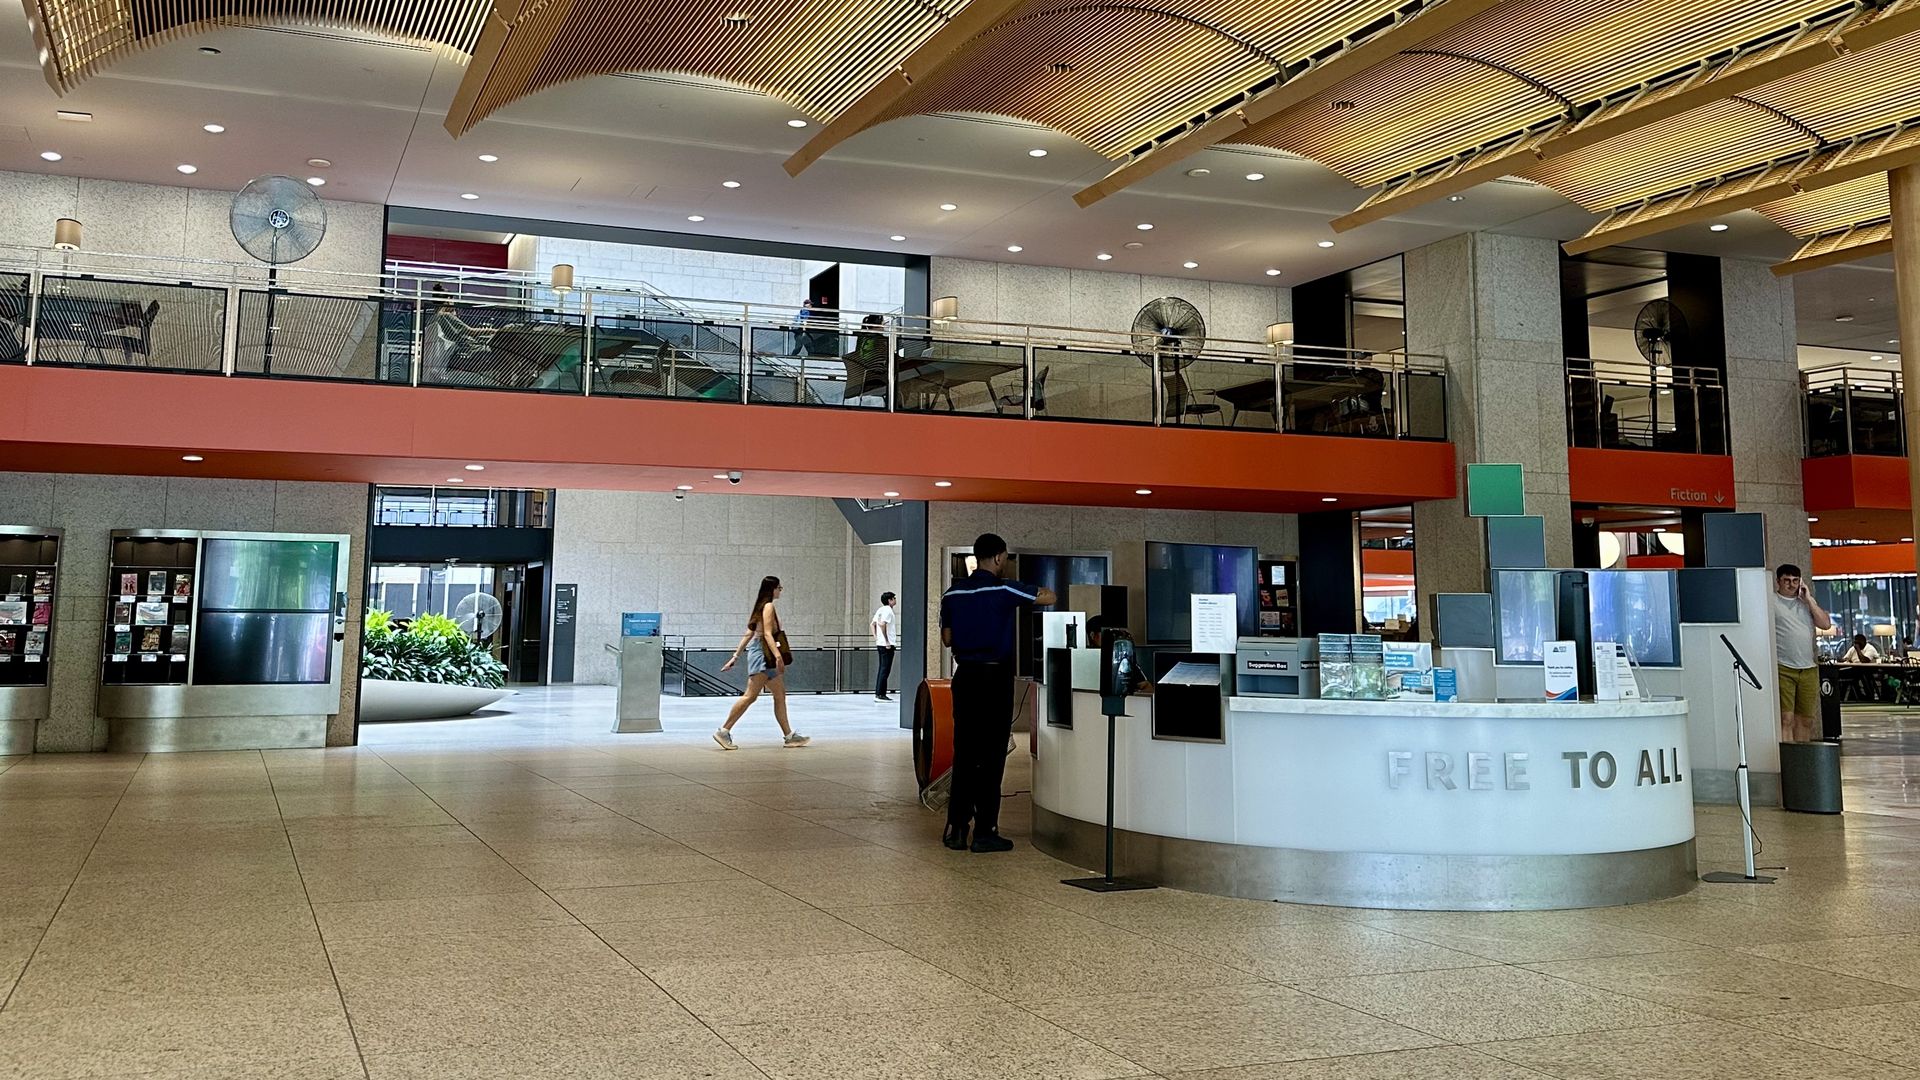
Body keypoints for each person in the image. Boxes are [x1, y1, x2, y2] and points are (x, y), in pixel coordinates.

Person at [939, 534, 1056, 852]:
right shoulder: (1005, 588)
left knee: (964, 752)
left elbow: (947, 638)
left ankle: (957, 829)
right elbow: (1049, 597)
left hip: (965, 677)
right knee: (991, 756)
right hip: (995, 677)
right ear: (1000, 557)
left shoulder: (952, 593)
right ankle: (986, 832)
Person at [715, 575, 810, 749]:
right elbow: (766, 634)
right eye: (779, 588)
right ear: (772, 589)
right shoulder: (768, 607)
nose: (780, 591)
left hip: (764, 654)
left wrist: (735, 656)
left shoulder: (760, 607)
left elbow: (749, 633)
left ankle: (789, 736)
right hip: (764, 655)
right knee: (750, 695)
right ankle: (724, 730)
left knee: (780, 694)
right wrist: (778, 657)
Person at [1773, 563, 1833, 743]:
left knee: (1805, 720)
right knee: (1786, 718)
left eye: (1795, 581)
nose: (1791, 585)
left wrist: (1810, 600)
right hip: (1784, 665)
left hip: (1807, 668)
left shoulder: (1805, 603)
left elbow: (1825, 624)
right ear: (1778, 581)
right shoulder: (1771, 602)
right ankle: (1788, 761)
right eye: (1787, 581)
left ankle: (1801, 760)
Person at [871, 591, 897, 702]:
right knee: (885, 669)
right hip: (887, 645)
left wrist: (877, 638)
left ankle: (879, 693)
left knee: (882, 669)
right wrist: (886, 641)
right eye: (894, 598)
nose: (895, 600)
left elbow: (873, 624)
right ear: (890, 600)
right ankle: (880, 694)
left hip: (880, 644)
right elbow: (882, 624)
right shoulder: (888, 611)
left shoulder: (880, 610)